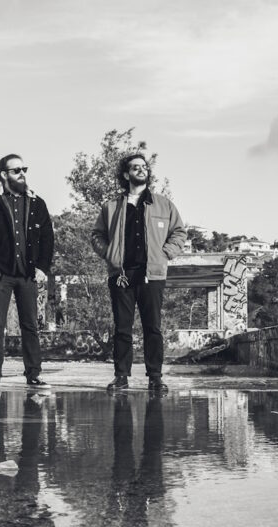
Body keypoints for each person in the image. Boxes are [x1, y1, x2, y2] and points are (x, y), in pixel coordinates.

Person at [90, 153, 186, 394]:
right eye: (135, 167)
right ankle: (121, 376)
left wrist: (165, 253)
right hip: (121, 275)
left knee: (152, 327)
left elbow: (179, 232)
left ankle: (155, 377)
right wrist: (109, 253)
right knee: (122, 328)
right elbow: (96, 235)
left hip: (152, 275)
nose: (142, 170)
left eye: (144, 167)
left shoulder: (163, 204)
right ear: (126, 174)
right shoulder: (111, 206)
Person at [0, 154, 54, 391]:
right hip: (0, 274)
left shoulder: (37, 203)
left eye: (24, 169)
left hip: (28, 274)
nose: (22, 173)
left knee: (30, 325)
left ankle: (34, 374)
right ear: (4, 175)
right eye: (16, 170)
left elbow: (48, 238)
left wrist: (42, 267)